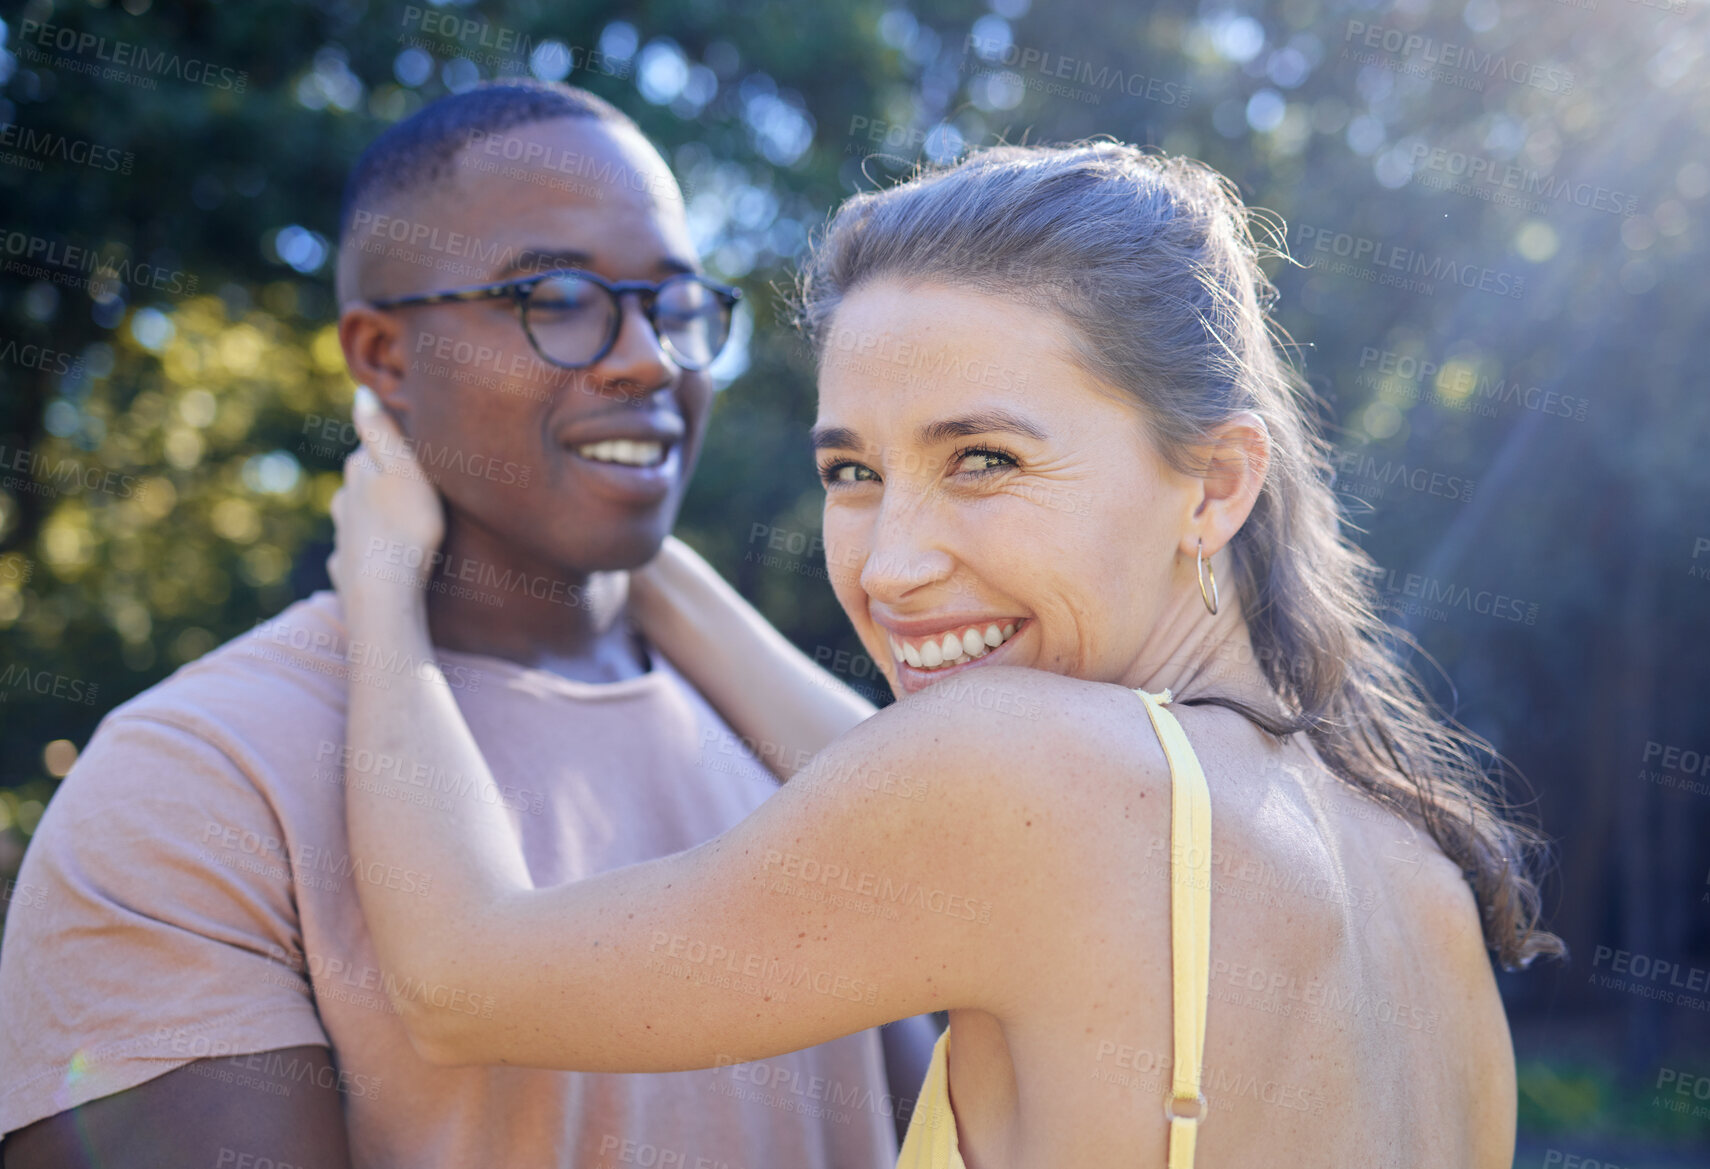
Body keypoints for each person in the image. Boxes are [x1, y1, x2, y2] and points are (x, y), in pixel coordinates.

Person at [326, 141, 1565, 1169]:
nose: (889, 565)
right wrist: (602, 522)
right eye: (852, 473)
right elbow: (899, 794)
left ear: (1216, 483)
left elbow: (458, 979)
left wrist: (381, 580)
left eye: (984, 459)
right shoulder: (1422, 880)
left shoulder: (1020, 782)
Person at [0, 80, 932, 1168]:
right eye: (556, 294)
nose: (649, 358)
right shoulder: (195, 778)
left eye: (675, 304)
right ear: (383, 357)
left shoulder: (807, 751)